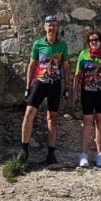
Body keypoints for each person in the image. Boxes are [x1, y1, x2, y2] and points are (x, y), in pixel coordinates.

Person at [17, 15, 70, 165]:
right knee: (28, 114)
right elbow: (31, 65)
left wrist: (67, 87)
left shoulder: (62, 45)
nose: (51, 28)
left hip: (55, 85)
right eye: (49, 25)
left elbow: (66, 66)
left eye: (54, 25)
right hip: (40, 83)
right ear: (45, 27)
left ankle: (51, 153)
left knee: (52, 118)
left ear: (57, 27)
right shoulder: (38, 44)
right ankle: (24, 149)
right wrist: (28, 86)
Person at [72, 28, 101, 168]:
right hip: (87, 93)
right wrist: (75, 92)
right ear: (88, 42)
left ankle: (100, 154)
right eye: (91, 40)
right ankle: (83, 154)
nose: (93, 42)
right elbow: (78, 76)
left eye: (96, 40)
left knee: (100, 123)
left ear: (100, 41)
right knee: (87, 122)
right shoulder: (83, 55)